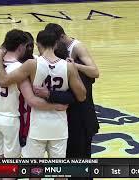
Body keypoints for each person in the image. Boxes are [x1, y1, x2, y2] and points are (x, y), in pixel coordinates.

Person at [0, 29, 67, 158]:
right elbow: (32, 100)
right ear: (21, 46)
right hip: (11, 119)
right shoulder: (19, 69)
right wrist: (55, 106)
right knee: (11, 165)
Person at [0, 29, 87, 158]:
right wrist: (73, 72)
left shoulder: (32, 64)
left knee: (34, 171)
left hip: (38, 125)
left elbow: (3, 81)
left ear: (38, 45)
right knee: (60, 172)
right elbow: (82, 96)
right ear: (56, 44)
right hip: (59, 126)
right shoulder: (68, 66)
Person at [38, 23, 100, 159]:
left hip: (80, 118)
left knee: (78, 160)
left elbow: (94, 72)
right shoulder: (59, 59)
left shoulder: (76, 48)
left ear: (59, 38)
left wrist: (73, 66)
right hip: (72, 119)